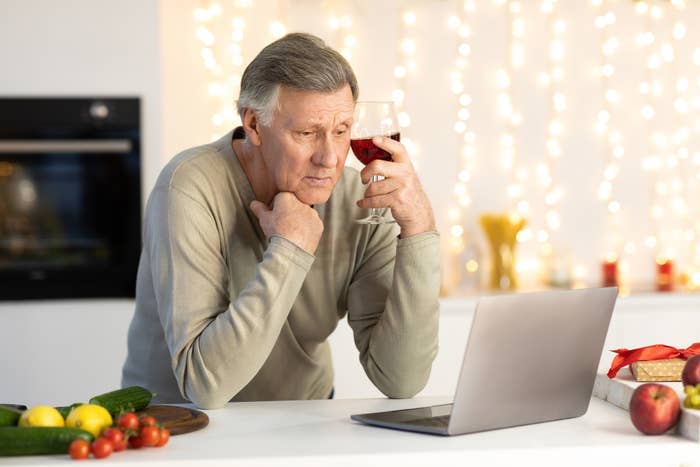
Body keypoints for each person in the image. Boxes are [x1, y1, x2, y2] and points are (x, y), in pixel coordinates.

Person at [122, 32, 440, 409]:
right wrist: (290, 249)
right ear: (254, 124)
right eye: (306, 133)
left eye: (341, 131)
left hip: (302, 419)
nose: (329, 158)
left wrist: (419, 230)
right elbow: (205, 385)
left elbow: (401, 379)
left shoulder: (362, 199)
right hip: (181, 426)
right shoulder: (187, 188)